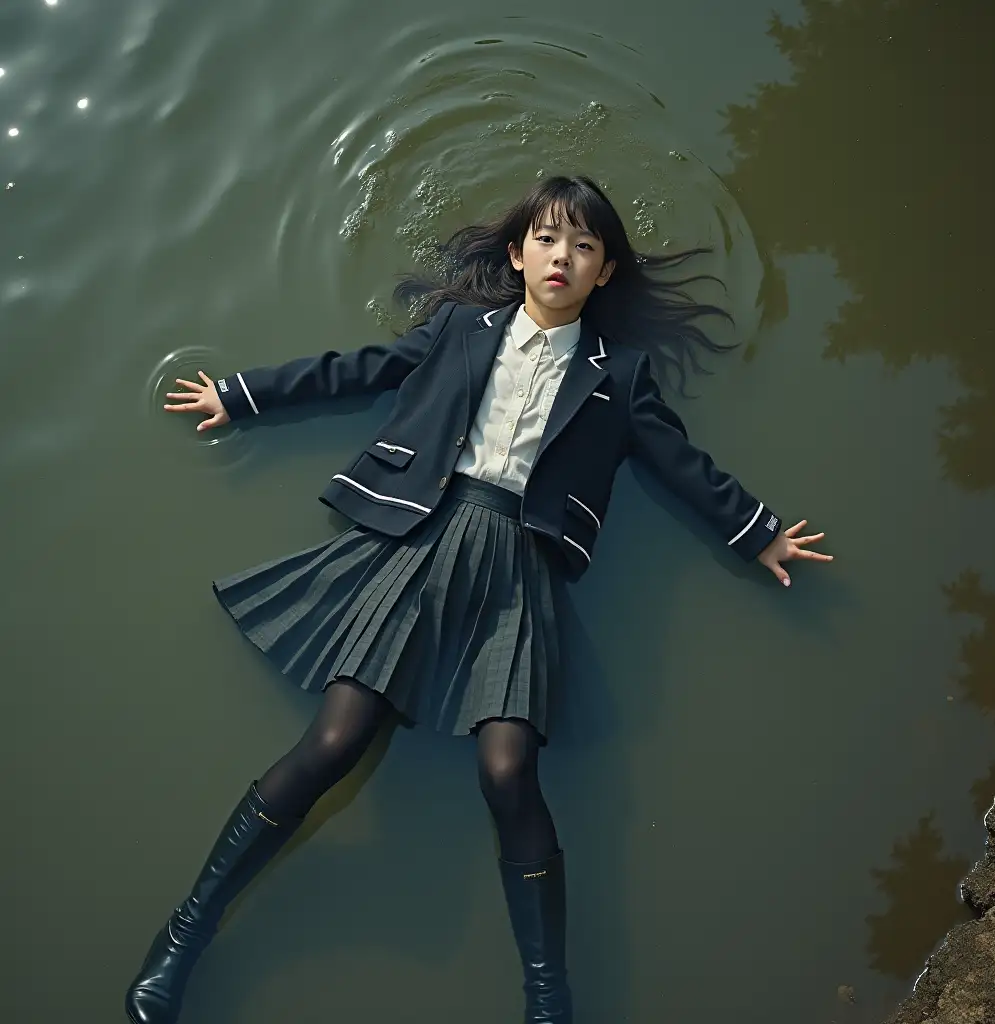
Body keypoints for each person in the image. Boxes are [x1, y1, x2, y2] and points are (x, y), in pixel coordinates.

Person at [125, 175, 832, 1024]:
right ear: (517, 254)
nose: (561, 256)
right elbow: (364, 369)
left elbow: (680, 464)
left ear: (605, 271)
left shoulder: (621, 376)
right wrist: (240, 395)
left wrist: (757, 533)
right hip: (421, 538)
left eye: (582, 246)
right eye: (546, 239)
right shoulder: (463, 328)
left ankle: (547, 997)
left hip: (518, 567)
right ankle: (183, 935)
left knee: (508, 770)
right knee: (336, 740)